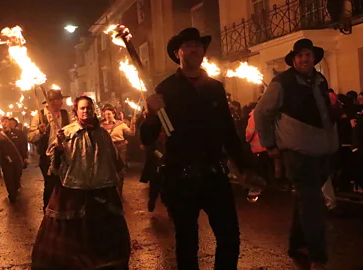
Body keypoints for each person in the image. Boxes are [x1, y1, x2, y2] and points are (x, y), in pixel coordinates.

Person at [140, 27, 247, 270]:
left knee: (230, 236)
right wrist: (150, 114)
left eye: (198, 45)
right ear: (178, 53)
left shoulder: (215, 87)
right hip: (181, 176)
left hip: (214, 173)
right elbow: (147, 137)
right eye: (188, 46)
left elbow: (228, 131)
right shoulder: (164, 89)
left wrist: (244, 167)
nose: (195, 49)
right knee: (187, 242)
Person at [254, 38, 338, 270]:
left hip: (322, 151)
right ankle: (318, 257)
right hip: (298, 154)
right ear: (293, 59)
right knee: (313, 203)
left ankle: (296, 243)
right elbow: (261, 113)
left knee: (305, 199)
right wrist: (270, 145)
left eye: (308, 55)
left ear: (313, 58)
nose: (304, 59)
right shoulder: (282, 82)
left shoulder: (320, 80)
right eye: (300, 55)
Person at [32, 96, 131, 270]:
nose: (86, 111)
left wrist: (116, 175)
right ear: (76, 111)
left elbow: (113, 159)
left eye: (89, 108)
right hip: (74, 189)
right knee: (74, 232)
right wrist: (60, 150)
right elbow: (55, 166)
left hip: (101, 189)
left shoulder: (102, 134)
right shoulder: (67, 133)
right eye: (82, 108)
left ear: (94, 110)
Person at [28, 88, 70, 212]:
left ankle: (61, 208)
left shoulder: (65, 114)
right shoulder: (40, 115)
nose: (61, 102)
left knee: (63, 182)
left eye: (61, 99)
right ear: (50, 101)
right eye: (58, 100)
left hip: (63, 154)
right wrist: (40, 131)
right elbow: (30, 137)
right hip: (47, 156)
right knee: (50, 183)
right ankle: (48, 209)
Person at [101, 104, 136, 195]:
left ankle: (119, 189)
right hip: (108, 148)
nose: (107, 116)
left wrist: (133, 123)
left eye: (109, 114)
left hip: (120, 147)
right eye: (105, 114)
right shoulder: (101, 126)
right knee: (110, 169)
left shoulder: (120, 124)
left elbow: (131, 133)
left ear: (113, 114)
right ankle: (112, 190)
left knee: (120, 168)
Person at [0, 117, 24, 202]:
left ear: (9, 123)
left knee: (17, 176)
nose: (4, 123)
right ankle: (12, 194)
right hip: (6, 161)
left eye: (6, 121)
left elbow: (22, 145)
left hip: (16, 159)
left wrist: (25, 156)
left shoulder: (17, 133)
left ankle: (15, 188)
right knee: (9, 178)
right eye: (3, 122)